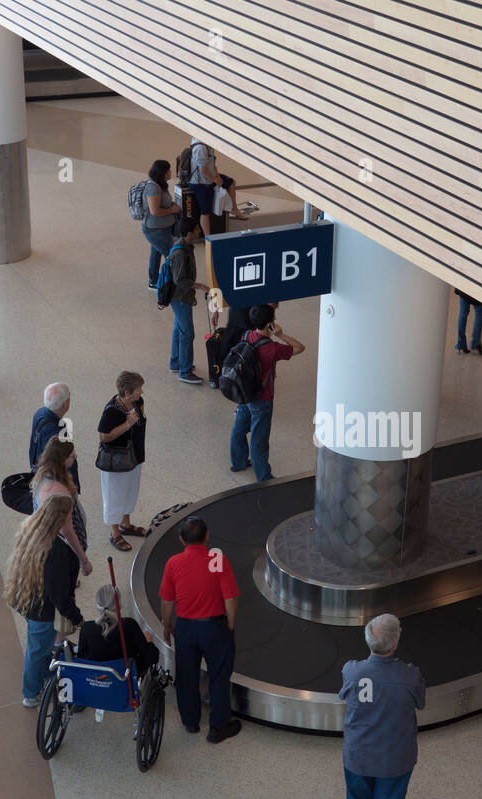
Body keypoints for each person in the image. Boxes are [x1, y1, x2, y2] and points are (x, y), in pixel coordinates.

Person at [339, 613, 425, 799]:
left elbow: (344, 696)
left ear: (367, 641)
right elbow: (420, 702)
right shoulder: (410, 676)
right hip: (395, 760)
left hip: (358, 756)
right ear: (396, 643)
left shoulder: (351, 670)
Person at [158, 515, 241, 743]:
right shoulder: (216, 558)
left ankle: (190, 722)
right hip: (214, 627)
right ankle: (218, 727)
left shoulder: (173, 563)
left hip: (185, 628)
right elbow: (230, 597)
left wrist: (167, 625)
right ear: (207, 536)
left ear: (182, 540)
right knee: (219, 675)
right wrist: (230, 622)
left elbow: (167, 601)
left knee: (186, 675)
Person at [3, 495, 84, 707]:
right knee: (36, 651)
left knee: (39, 646)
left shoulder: (33, 530)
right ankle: (31, 694)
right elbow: (59, 594)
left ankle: (43, 672)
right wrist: (76, 618)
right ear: (61, 518)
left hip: (28, 598)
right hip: (42, 610)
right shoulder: (54, 550)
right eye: (70, 514)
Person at [229, 309, 304, 480]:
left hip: (244, 392)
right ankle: (264, 477)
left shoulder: (246, 335)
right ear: (271, 323)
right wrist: (281, 334)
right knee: (259, 440)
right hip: (262, 398)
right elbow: (300, 348)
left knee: (239, 427)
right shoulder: (272, 348)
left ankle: (238, 462)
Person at [96, 371, 148, 551]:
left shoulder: (138, 402)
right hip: (116, 462)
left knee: (130, 491)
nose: (141, 392)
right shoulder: (112, 410)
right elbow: (104, 437)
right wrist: (127, 424)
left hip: (134, 457)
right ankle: (115, 533)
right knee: (114, 496)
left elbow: (140, 421)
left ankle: (126, 524)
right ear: (127, 393)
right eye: (138, 389)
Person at [30, 438, 92, 577]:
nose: (75, 458)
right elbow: (67, 531)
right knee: (65, 585)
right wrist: (83, 560)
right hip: (63, 548)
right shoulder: (58, 493)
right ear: (61, 459)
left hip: (52, 543)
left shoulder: (43, 474)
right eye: (72, 456)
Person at [164, 217, 215, 385]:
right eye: (196, 229)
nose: (199, 231)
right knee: (187, 333)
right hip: (179, 298)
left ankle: (175, 363)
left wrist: (192, 294)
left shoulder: (186, 246)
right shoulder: (180, 252)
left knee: (179, 329)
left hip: (182, 296)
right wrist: (200, 287)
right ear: (188, 234)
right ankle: (185, 372)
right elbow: (180, 280)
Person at [77, 585, 159, 678]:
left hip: (94, 683)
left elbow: (81, 660)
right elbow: (152, 658)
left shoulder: (87, 628)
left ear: (98, 606)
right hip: (125, 683)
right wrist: (148, 642)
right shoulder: (129, 626)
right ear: (119, 604)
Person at [185, 138, 247, 234]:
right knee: (205, 212)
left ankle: (234, 209)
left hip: (210, 177)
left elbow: (212, 164)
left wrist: (217, 176)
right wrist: (215, 179)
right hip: (200, 183)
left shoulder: (207, 144)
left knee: (230, 182)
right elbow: (203, 170)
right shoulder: (200, 147)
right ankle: (208, 239)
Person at [30, 382, 79, 492]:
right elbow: (64, 462)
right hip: (56, 484)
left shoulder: (39, 413)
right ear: (65, 404)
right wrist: (71, 486)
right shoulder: (58, 433)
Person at [141, 159, 180, 288]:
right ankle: (175, 282)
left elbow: (164, 203)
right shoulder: (153, 188)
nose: (171, 172)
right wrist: (172, 210)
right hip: (155, 230)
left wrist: (172, 205)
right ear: (162, 173)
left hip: (162, 229)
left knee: (156, 254)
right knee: (172, 255)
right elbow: (155, 211)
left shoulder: (161, 185)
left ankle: (153, 280)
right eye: (168, 170)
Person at [454, 290, 482, 355]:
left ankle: (461, 344)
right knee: (479, 314)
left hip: (464, 288)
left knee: (463, 313)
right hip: (476, 292)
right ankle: (475, 344)